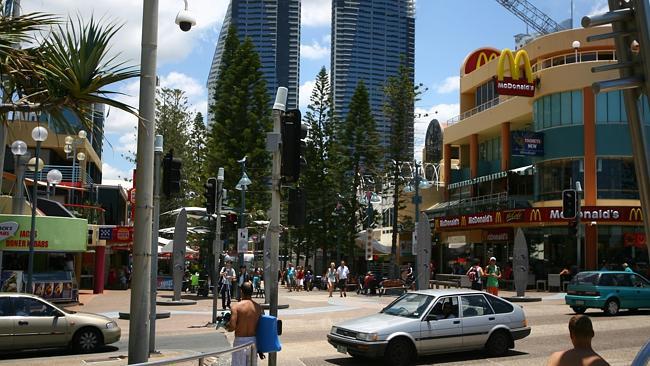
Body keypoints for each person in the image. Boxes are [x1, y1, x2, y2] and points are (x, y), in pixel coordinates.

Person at [226, 282, 265, 366]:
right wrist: (261, 349)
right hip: (253, 342)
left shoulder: (236, 307)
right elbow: (262, 328)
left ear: (241, 291)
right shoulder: (258, 307)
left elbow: (232, 327)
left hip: (240, 342)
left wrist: (226, 325)